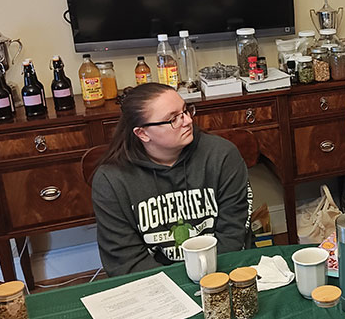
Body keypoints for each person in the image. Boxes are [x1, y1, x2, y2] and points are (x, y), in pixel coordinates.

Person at [92, 83, 251, 277]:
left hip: (222, 273)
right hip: (154, 288)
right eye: (173, 118)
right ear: (142, 133)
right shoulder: (110, 180)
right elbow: (126, 261)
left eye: (185, 110)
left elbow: (233, 237)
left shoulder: (222, 156)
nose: (187, 121)